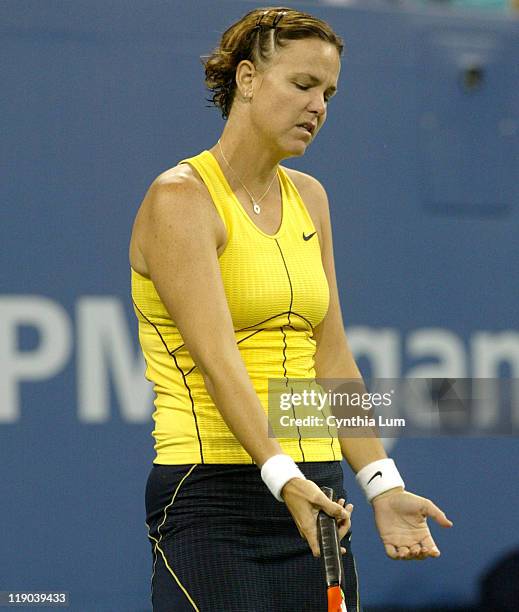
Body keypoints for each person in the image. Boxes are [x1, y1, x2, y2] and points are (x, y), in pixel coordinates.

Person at [129, 6, 452, 611]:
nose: (319, 107)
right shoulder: (181, 198)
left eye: (328, 92)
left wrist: (382, 484)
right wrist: (282, 477)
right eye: (303, 85)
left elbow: (331, 356)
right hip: (213, 496)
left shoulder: (311, 198)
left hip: (319, 489)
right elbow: (218, 362)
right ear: (247, 79)